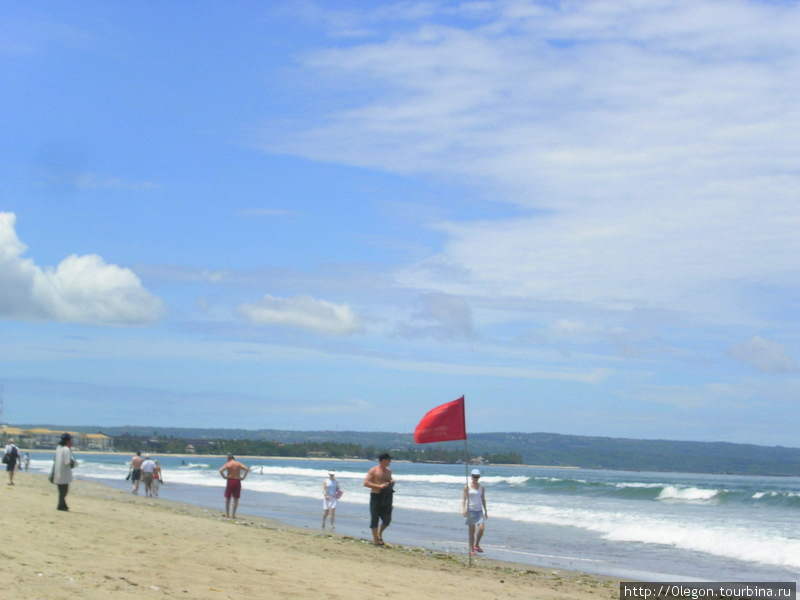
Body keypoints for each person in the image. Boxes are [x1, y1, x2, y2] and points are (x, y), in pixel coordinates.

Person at [363, 453, 394, 546]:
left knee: (387, 519)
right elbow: (366, 483)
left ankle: (379, 533)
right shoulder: (374, 470)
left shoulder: (389, 471)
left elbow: (389, 480)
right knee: (375, 518)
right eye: (389, 460)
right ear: (383, 460)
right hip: (376, 496)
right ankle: (376, 540)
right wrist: (379, 486)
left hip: (386, 496)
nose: (390, 461)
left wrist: (391, 482)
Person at [462, 469, 488, 555]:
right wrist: (464, 509)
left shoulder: (481, 487)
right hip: (471, 510)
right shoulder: (467, 486)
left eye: (477, 477)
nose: (476, 478)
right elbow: (464, 499)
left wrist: (486, 511)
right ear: (471, 476)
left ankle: (477, 544)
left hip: (479, 510)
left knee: (481, 529)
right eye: (474, 476)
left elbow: (483, 499)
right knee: (471, 531)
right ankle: (472, 549)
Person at [219, 454, 249, 518]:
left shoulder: (228, 464)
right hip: (237, 481)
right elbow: (246, 469)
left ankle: (227, 514)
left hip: (230, 481)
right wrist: (243, 477)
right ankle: (233, 514)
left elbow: (220, 470)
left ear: (228, 459)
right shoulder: (238, 464)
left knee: (228, 498)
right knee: (236, 499)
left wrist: (224, 477)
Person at [53, 433, 75, 511]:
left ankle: (63, 505)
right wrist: (72, 462)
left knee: (61, 490)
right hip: (64, 473)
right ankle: (60, 505)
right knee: (64, 491)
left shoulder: (58, 448)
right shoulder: (66, 449)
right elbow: (66, 462)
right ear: (68, 441)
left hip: (57, 471)